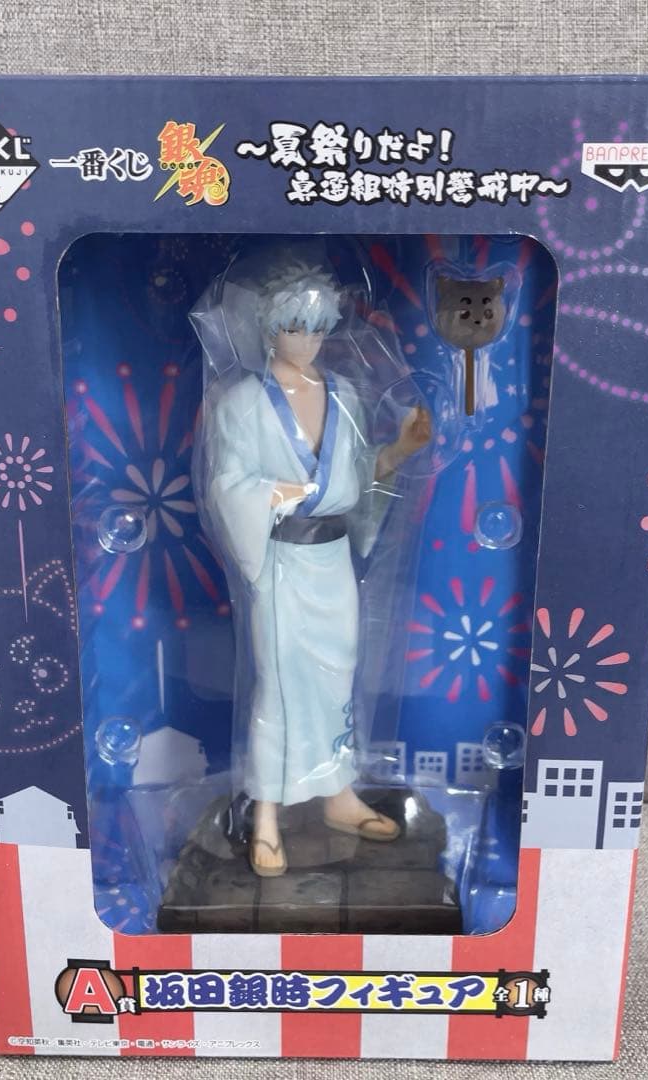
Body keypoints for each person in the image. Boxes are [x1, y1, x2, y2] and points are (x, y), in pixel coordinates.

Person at [197, 260, 430, 876]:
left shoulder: (345, 394)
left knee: (335, 679)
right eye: (296, 328)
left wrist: (402, 448)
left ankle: (338, 795)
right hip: (281, 561)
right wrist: (280, 493)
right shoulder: (243, 402)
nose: (310, 341)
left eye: (320, 328)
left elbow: (357, 477)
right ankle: (266, 817)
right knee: (278, 684)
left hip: (332, 561)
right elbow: (228, 484)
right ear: (270, 329)